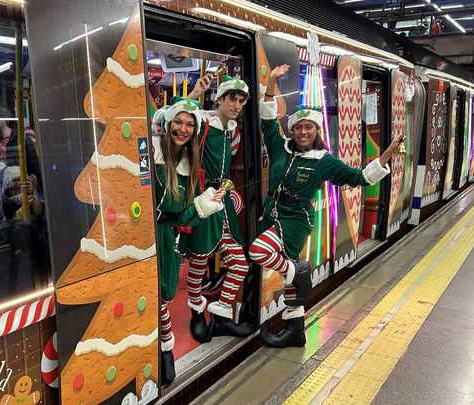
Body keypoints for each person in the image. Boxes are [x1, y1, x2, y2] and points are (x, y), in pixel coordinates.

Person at [251, 65, 404, 348]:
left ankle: (298, 270)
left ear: (317, 130)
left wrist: (387, 154)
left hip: (296, 219)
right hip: (272, 212)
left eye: (308, 127)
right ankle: (294, 331)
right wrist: (271, 82)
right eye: (298, 127)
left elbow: (359, 177)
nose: (302, 132)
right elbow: (268, 119)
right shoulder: (279, 146)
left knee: (258, 251)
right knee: (288, 277)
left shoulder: (324, 160)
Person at [151, 98, 225, 385]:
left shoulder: (188, 164)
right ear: (168, 123)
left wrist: (204, 204)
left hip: (167, 237)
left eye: (190, 125)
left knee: (166, 294)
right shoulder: (151, 155)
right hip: (144, 236)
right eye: (178, 122)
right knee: (155, 294)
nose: (183, 129)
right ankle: (164, 345)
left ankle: (164, 347)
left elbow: (182, 216)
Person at [181, 73, 253, 340]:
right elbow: (176, 118)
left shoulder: (233, 131)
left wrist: (229, 192)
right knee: (199, 263)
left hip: (222, 204)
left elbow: (228, 165)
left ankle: (221, 317)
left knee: (239, 263)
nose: (236, 105)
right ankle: (196, 314)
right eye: (232, 99)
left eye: (240, 101)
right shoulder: (203, 123)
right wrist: (194, 94)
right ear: (220, 99)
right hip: (202, 201)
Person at [0, 103, 40, 179]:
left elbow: (33, 166)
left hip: (19, 182)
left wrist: (33, 185)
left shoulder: (21, 138)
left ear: (3, 119)